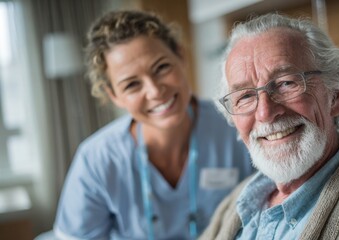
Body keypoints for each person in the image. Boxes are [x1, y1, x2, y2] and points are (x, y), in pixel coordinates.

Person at [200, 13, 339, 239]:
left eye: (286, 83)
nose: (265, 113)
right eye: (245, 96)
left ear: (336, 95)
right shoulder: (240, 200)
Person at [53, 10, 254, 240]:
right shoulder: (96, 160)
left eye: (161, 68)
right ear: (114, 95)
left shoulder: (236, 126)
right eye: (131, 85)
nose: (155, 91)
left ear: (181, 56)